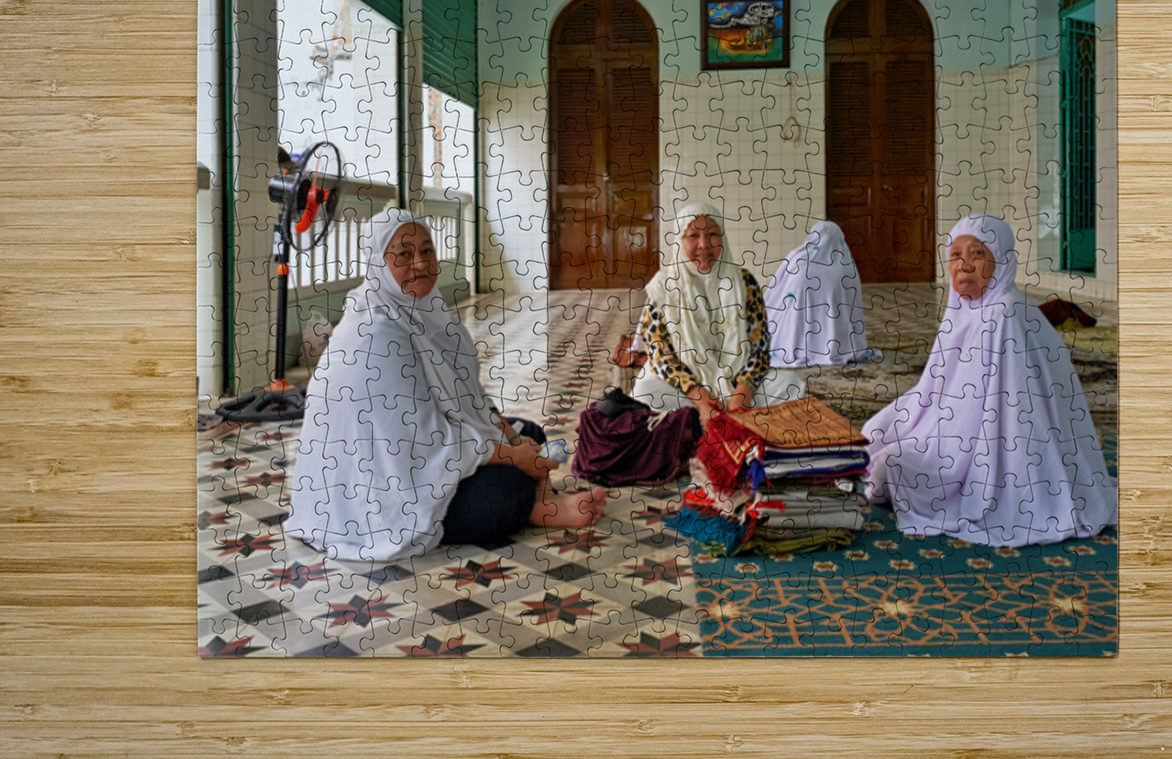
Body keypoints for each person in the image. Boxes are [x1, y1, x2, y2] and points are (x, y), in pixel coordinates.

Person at [286, 208, 606, 562]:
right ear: (378, 264)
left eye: (427, 251)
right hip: (379, 494)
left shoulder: (428, 314)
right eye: (404, 255)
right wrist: (513, 456)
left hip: (423, 457)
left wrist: (512, 439)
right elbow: (422, 443)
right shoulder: (374, 334)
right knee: (503, 491)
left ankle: (538, 498)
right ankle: (533, 508)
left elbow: (469, 399)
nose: (420, 264)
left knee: (529, 430)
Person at [861, 214, 1117, 547]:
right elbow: (936, 390)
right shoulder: (968, 309)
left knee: (889, 467)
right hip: (962, 428)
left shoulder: (1003, 315)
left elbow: (980, 416)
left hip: (999, 452)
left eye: (977, 255)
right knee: (872, 436)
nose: (964, 265)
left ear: (1002, 262)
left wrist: (917, 438)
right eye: (955, 255)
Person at [631, 202, 804, 428]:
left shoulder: (744, 282)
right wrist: (701, 399)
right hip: (685, 386)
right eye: (693, 235)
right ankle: (704, 420)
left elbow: (759, 348)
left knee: (790, 384)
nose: (704, 244)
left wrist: (742, 394)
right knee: (646, 391)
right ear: (680, 241)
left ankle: (710, 421)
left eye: (713, 234)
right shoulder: (662, 288)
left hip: (736, 381)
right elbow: (659, 354)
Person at [763, 220, 880, 367]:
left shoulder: (797, 256)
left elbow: (778, 286)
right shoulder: (847, 266)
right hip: (837, 333)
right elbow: (853, 307)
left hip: (795, 328)